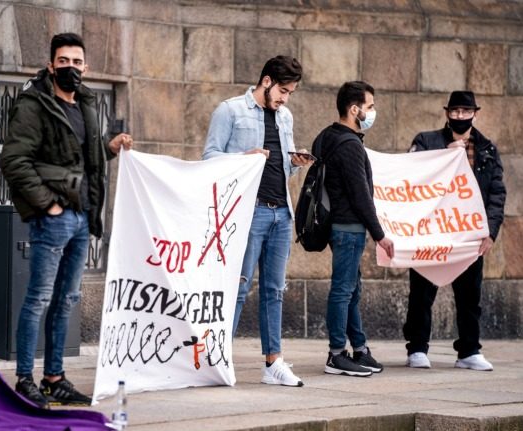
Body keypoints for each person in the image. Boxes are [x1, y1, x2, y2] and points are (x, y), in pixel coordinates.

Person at [0, 32, 133, 408]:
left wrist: (109, 147)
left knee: (66, 300)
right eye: (64, 62)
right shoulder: (34, 104)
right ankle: (25, 379)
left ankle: (54, 378)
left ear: (85, 67)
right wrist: (46, 204)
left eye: (77, 63)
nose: (70, 68)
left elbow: (84, 161)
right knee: (39, 298)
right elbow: (13, 161)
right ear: (50, 65)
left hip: (81, 218)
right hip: (54, 218)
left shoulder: (87, 104)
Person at [203, 55, 312, 387]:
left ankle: (273, 362)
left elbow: (283, 164)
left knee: (274, 290)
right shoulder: (230, 111)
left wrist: (296, 161)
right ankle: (217, 358)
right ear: (266, 81)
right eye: (282, 90)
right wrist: (243, 158)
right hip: (248, 213)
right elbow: (208, 157)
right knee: (237, 287)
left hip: (282, 211)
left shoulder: (285, 116)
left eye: (290, 93)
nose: (285, 98)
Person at [403, 91, 506, 371]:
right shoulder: (427, 141)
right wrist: (442, 156)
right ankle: (417, 348)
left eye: (466, 111)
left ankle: (469, 350)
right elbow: (410, 174)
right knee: (422, 291)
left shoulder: (486, 148)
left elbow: (497, 192)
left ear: (475, 112)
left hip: (469, 231)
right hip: (432, 229)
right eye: (455, 111)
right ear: (447, 112)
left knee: (470, 294)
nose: (460, 117)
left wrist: (491, 231)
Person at [317, 81, 394, 377]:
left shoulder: (328, 137)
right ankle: (337, 354)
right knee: (342, 291)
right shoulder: (349, 145)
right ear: (354, 109)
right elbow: (361, 196)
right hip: (348, 228)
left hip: (341, 226)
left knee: (351, 290)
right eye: (370, 106)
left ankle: (359, 348)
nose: (373, 111)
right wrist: (380, 235)